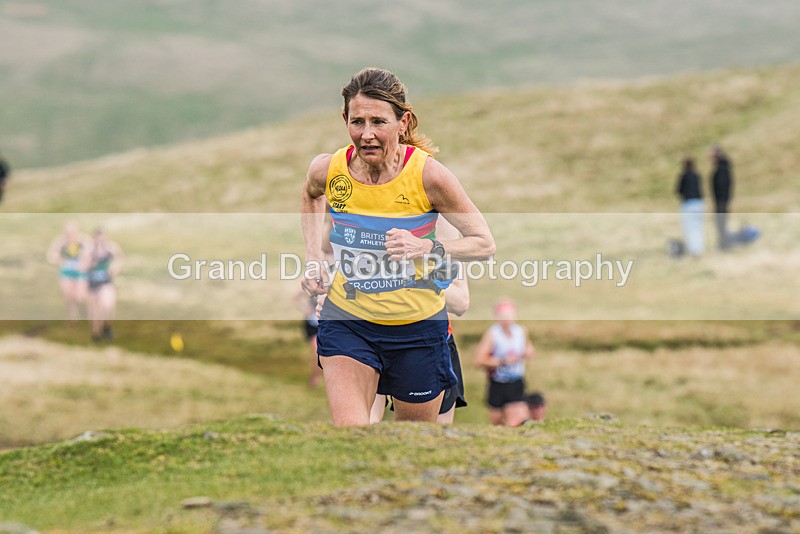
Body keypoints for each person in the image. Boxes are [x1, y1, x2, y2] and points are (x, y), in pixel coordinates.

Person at [300, 67, 495, 426]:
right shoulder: (329, 169)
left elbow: (484, 243)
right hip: (348, 320)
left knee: (414, 441)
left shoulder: (429, 175)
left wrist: (426, 247)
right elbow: (311, 195)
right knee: (352, 433)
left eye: (378, 122)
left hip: (417, 329)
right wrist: (314, 259)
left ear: (403, 122)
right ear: (345, 120)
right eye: (357, 122)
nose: (367, 134)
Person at [369, 217, 470, 424]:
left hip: (430, 341)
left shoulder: (441, 222)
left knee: (427, 436)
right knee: (363, 427)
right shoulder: (364, 215)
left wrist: (411, 280)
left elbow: (461, 302)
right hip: (370, 336)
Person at [474, 299, 535, 427]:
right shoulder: (492, 334)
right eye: (503, 316)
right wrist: (502, 361)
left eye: (510, 315)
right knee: (498, 423)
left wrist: (527, 352)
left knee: (517, 420)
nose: (507, 319)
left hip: (516, 382)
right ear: (497, 317)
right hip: (498, 383)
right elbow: (479, 360)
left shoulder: (521, 331)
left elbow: (529, 348)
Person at [83, 227, 123, 342]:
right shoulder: (89, 250)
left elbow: (120, 258)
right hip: (93, 283)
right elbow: (83, 266)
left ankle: (106, 326)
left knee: (107, 306)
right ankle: (96, 334)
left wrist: (115, 269)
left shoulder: (111, 248)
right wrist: (91, 263)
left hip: (106, 282)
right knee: (95, 311)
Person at [46, 222, 91, 322]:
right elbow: (51, 255)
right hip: (66, 272)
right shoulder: (60, 241)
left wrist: (86, 263)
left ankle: (84, 310)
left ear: (77, 231)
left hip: (80, 273)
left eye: (72, 232)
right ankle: (72, 318)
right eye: (68, 232)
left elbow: (92, 254)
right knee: (68, 296)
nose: (70, 235)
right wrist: (57, 260)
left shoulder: (84, 240)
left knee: (80, 296)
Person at [676, 156, 705, 257]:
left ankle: (692, 249)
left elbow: (679, 191)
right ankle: (699, 249)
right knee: (698, 226)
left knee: (689, 227)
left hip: (688, 204)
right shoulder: (697, 175)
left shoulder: (684, 176)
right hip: (699, 203)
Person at [710, 145, 734, 250]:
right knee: (721, 223)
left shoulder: (721, 168)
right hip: (721, 200)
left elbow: (722, 185)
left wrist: (721, 200)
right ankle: (723, 243)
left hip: (721, 201)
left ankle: (725, 245)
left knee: (721, 223)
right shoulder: (722, 167)